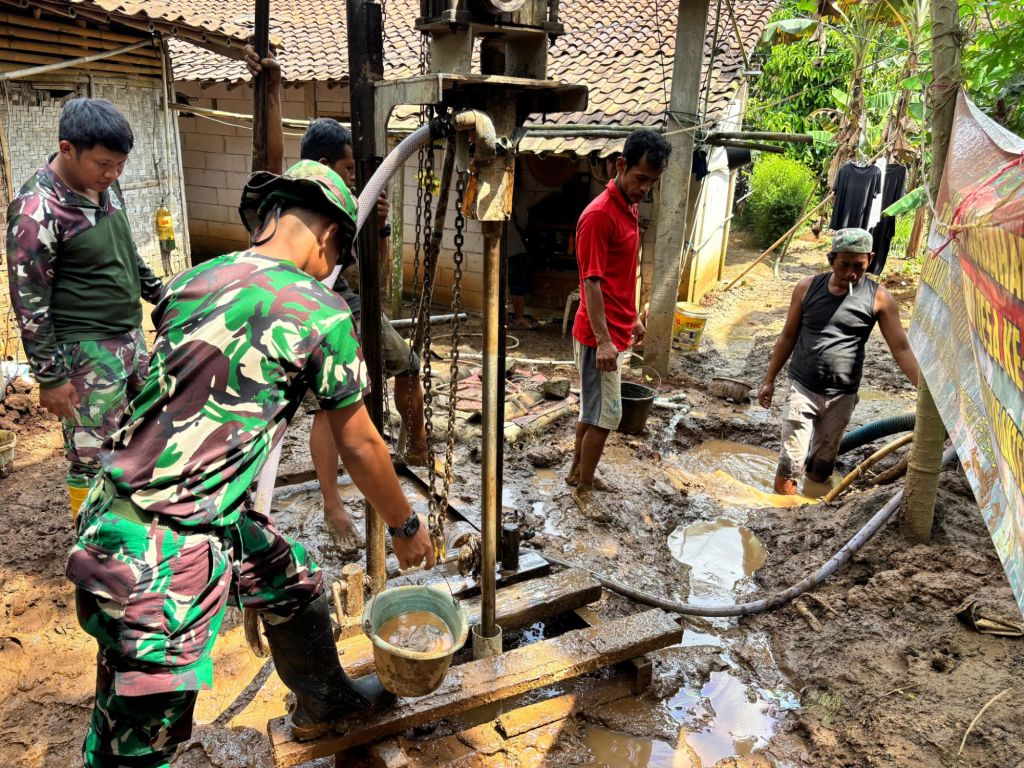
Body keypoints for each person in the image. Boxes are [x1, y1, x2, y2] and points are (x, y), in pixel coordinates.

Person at [67, 160, 436, 767]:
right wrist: (406, 526)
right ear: (329, 237)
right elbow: (360, 444)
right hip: (164, 558)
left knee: (292, 579)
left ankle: (326, 701)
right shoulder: (320, 311)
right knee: (139, 744)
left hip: (139, 511)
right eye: (336, 255)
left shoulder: (194, 280)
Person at [246, 48, 428, 554]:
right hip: (299, 305)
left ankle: (414, 444)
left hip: (342, 299)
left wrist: (381, 227)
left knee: (407, 364)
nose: (353, 178)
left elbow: (375, 278)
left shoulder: (349, 208)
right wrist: (272, 92)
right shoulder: (287, 200)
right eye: (347, 169)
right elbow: (270, 159)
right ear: (322, 167)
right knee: (332, 408)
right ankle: (332, 500)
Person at [6, 98, 163, 519]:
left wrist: (161, 295)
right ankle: (93, 544)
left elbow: (127, 252)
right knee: (93, 458)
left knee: (144, 434)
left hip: (130, 338)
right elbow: (30, 301)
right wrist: (51, 378)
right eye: (104, 164)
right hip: (84, 354)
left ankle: (137, 527)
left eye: (120, 165)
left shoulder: (106, 187)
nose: (113, 174)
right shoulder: (37, 211)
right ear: (67, 148)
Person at [758, 228, 920, 495]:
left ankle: (812, 505)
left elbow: (901, 348)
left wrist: (923, 390)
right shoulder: (806, 288)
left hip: (842, 395)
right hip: (803, 388)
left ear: (870, 259)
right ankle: (782, 511)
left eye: (859, 266)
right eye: (844, 265)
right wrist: (769, 380)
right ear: (831, 259)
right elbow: (787, 336)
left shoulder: (879, 298)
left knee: (822, 466)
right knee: (790, 462)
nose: (851, 273)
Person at [566, 129, 671, 496]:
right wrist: (604, 341)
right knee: (607, 416)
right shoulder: (599, 215)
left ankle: (577, 472)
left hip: (614, 329)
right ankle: (585, 487)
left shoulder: (627, 206)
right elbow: (591, 283)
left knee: (592, 410)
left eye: (652, 182)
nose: (645, 188)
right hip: (599, 337)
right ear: (621, 165)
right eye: (641, 178)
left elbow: (618, 276)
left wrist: (633, 318)